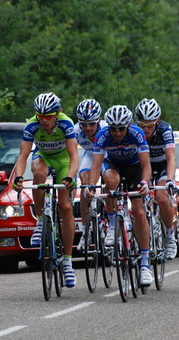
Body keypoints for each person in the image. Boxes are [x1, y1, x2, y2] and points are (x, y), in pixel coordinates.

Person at [12, 92, 79, 288]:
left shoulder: (66, 124)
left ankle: (67, 260)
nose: (43, 120)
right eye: (40, 116)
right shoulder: (32, 125)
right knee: (39, 173)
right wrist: (18, 177)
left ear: (57, 113)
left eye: (48, 116)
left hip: (64, 160)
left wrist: (70, 176)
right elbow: (23, 156)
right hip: (44, 157)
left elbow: (74, 155)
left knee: (66, 207)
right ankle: (41, 219)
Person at [85, 105, 153, 285]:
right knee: (110, 180)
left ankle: (145, 264)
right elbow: (95, 166)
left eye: (121, 128)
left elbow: (146, 165)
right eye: (113, 128)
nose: (116, 133)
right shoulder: (103, 135)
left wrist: (145, 183)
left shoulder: (137, 134)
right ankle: (113, 220)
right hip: (113, 166)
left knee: (138, 212)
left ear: (128, 125)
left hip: (135, 169)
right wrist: (91, 185)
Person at [134, 98, 179, 259]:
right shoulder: (133, 130)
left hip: (161, 167)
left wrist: (170, 181)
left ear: (157, 121)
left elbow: (172, 158)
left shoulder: (165, 130)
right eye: (142, 125)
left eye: (150, 125)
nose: (145, 129)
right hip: (143, 167)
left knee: (161, 197)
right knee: (136, 201)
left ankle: (170, 237)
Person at [74, 99, 107, 251]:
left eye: (92, 124)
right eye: (84, 124)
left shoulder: (107, 128)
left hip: (108, 155)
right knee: (85, 184)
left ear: (99, 120)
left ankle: (110, 219)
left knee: (109, 178)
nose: (87, 128)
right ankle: (86, 230)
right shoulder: (76, 131)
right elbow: (69, 155)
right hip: (91, 155)